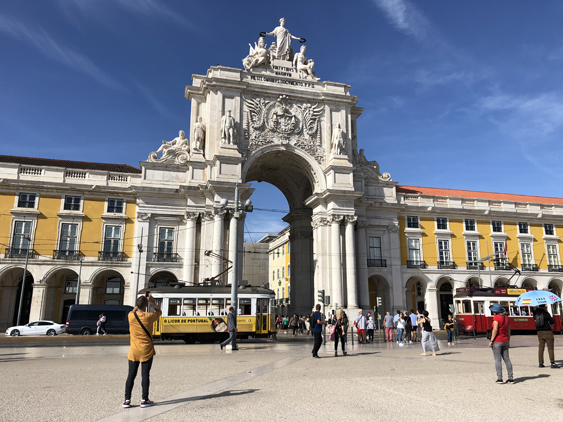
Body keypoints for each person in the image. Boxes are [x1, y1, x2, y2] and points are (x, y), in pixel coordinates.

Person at [123, 293, 162, 409]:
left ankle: (127, 400)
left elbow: (136, 309)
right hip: (146, 350)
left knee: (131, 375)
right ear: (145, 306)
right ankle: (144, 399)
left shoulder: (131, 315)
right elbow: (159, 312)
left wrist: (141, 303)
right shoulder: (149, 316)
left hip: (134, 351)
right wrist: (152, 302)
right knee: (145, 375)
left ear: (136, 305)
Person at [489, 303, 513, 384]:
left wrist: (491, 340)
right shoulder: (507, 318)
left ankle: (500, 378)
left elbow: (495, 330)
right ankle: (511, 378)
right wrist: (508, 340)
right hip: (505, 340)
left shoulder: (496, 318)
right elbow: (509, 331)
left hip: (497, 341)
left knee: (497, 359)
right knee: (507, 359)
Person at [533, 304, 559, 368]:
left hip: (539, 331)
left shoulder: (535, 313)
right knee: (550, 347)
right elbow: (551, 322)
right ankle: (552, 363)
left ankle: (540, 363)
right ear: (544, 306)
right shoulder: (545, 313)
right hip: (547, 331)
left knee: (541, 347)